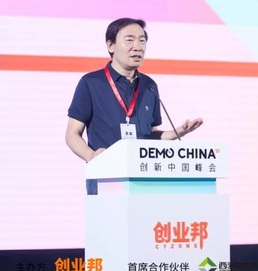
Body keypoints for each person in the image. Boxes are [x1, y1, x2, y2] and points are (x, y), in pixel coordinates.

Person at [65, 18, 203, 193]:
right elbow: (72, 134)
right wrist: (92, 156)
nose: (138, 47)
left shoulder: (149, 86)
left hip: (144, 180)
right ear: (110, 45)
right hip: (106, 178)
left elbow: (150, 135)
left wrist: (176, 133)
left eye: (142, 41)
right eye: (129, 40)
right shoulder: (91, 83)